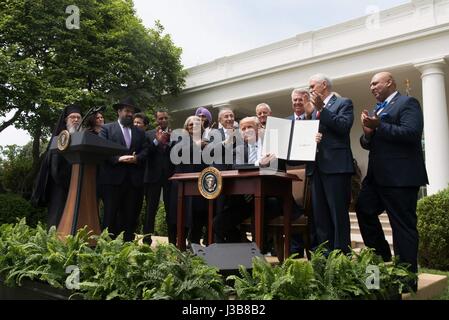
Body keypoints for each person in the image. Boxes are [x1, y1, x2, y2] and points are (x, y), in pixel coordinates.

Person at [356, 72, 428, 284]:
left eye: (375, 83)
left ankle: (406, 281)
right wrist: (368, 133)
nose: (371, 87)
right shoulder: (378, 109)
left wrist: (379, 126)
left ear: (389, 83)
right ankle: (381, 258)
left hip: (401, 178)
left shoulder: (407, 103)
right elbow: (368, 142)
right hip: (376, 179)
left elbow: (412, 133)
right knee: (363, 209)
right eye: (370, 84)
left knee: (402, 227)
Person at [304, 73, 355, 254]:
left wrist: (322, 110)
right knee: (321, 216)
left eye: (312, 86)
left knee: (337, 214)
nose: (310, 90)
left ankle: (342, 256)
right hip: (316, 168)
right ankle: (325, 258)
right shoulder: (313, 111)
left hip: (336, 167)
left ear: (323, 85)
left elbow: (343, 126)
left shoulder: (344, 103)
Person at [98, 97, 148, 241]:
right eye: (127, 111)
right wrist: (117, 159)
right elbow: (102, 149)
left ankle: (127, 249)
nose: (130, 114)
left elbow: (146, 151)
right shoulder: (106, 129)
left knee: (130, 217)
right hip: (112, 181)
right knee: (110, 216)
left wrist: (137, 158)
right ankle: (107, 248)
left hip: (133, 183)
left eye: (132, 112)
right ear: (119, 112)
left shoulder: (140, 132)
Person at [31, 104, 83, 228]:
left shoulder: (83, 137)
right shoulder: (60, 137)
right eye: (72, 117)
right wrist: (69, 183)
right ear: (66, 120)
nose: (76, 120)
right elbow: (55, 168)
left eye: (78, 117)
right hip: (60, 186)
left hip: (79, 185)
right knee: (57, 219)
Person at [143, 110, 174, 245]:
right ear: (156, 120)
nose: (163, 120)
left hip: (169, 177)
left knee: (171, 210)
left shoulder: (175, 135)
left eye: (166, 118)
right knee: (151, 210)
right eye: (160, 118)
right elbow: (145, 153)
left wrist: (169, 142)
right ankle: (146, 240)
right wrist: (157, 141)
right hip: (152, 177)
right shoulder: (148, 134)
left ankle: (173, 241)